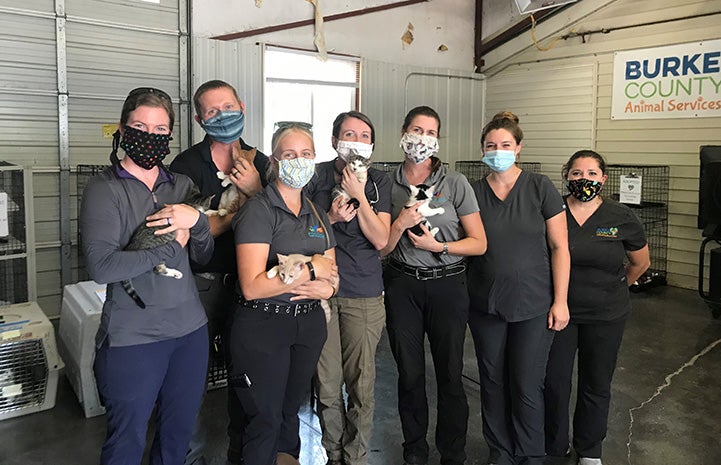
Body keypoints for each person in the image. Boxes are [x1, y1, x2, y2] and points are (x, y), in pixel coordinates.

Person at [79, 87, 214, 465]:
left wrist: (198, 223)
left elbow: (202, 257)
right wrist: (174, 246)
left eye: (159, 129)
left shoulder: (182, 186)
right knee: (127, 440)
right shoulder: (105, 189)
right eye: (140, 125)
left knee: (178, 436)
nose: (149, 135)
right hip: (133, 338)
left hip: (190, 333)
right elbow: (102, 267)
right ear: (122, 130)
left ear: (170, 135)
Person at [169, 79, 269, 465]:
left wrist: (257, 189)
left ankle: (240, 454)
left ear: (242, 106)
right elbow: (187, 229)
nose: (222, 115)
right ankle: (189, 457)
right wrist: (236, 212)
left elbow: (277, 222)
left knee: (244, 377)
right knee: (189, 380)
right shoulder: (187, 166)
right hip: (200, 285)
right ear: (199, 119)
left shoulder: (260, 162)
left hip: (250, 287)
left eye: (227, 106)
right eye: (212, 111)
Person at [381, 106, 487, 465]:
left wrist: (438, 246)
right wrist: (399, 223)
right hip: (402, 286)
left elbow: (479, 243)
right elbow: (381, 247)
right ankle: (415, 449)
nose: (421, 138)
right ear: (403, 132)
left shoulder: (455, 183)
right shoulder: (385, 183)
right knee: (409, 372)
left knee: (449, 372)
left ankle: (452, 451)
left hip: (448, 285)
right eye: (415, 129)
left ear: (437, 139)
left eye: (429, 132)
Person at [230, 122, 338, 465]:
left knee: (291, 412)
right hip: (264, 326)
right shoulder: (258, 210)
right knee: (264, 419)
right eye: (289, 154)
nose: (299, 161)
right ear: (274, 162)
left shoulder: (316, 212)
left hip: (307, 325)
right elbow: (252, 286)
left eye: (306, 154)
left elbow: (333, 274)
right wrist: (310, 271)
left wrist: (328, 285)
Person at [465, 111, 570, 465]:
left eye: (505, 145)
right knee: (492, 382)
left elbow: (560, 247)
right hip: (485, 304)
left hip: (534, 304)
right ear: (482, 149)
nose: (498, 151)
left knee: (526, 384)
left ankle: (530, 454)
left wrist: (560, 301)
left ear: (519, 148)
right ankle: (501, 452)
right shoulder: (472, 192)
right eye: (491, 145)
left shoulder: (540, 187)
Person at [544, 150, 650, 465]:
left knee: (596, 382)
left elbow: (640, 263)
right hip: (559, 313)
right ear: (566, 176)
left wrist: (613, 289)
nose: (584, 180)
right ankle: (555, 444)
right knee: (554, 382)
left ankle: (590, 450)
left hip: (607, 315)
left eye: (592, 174)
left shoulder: (621, 217)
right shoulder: (552, 211)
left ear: (604, 179)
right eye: (577, 173)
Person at [304, 111, 391, 465]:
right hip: (320, 290)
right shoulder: (315, 176)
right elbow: (301, 232)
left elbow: (381, 238)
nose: (356, 140)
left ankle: (356, 456)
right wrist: (333, 217)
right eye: (348, 134)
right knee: (326, 382)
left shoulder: (379, 182)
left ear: (371, 144)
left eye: (364, 135)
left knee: (361, 382)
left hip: (363, 293)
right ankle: (333, 451)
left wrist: (359, 194)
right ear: (334, 140)